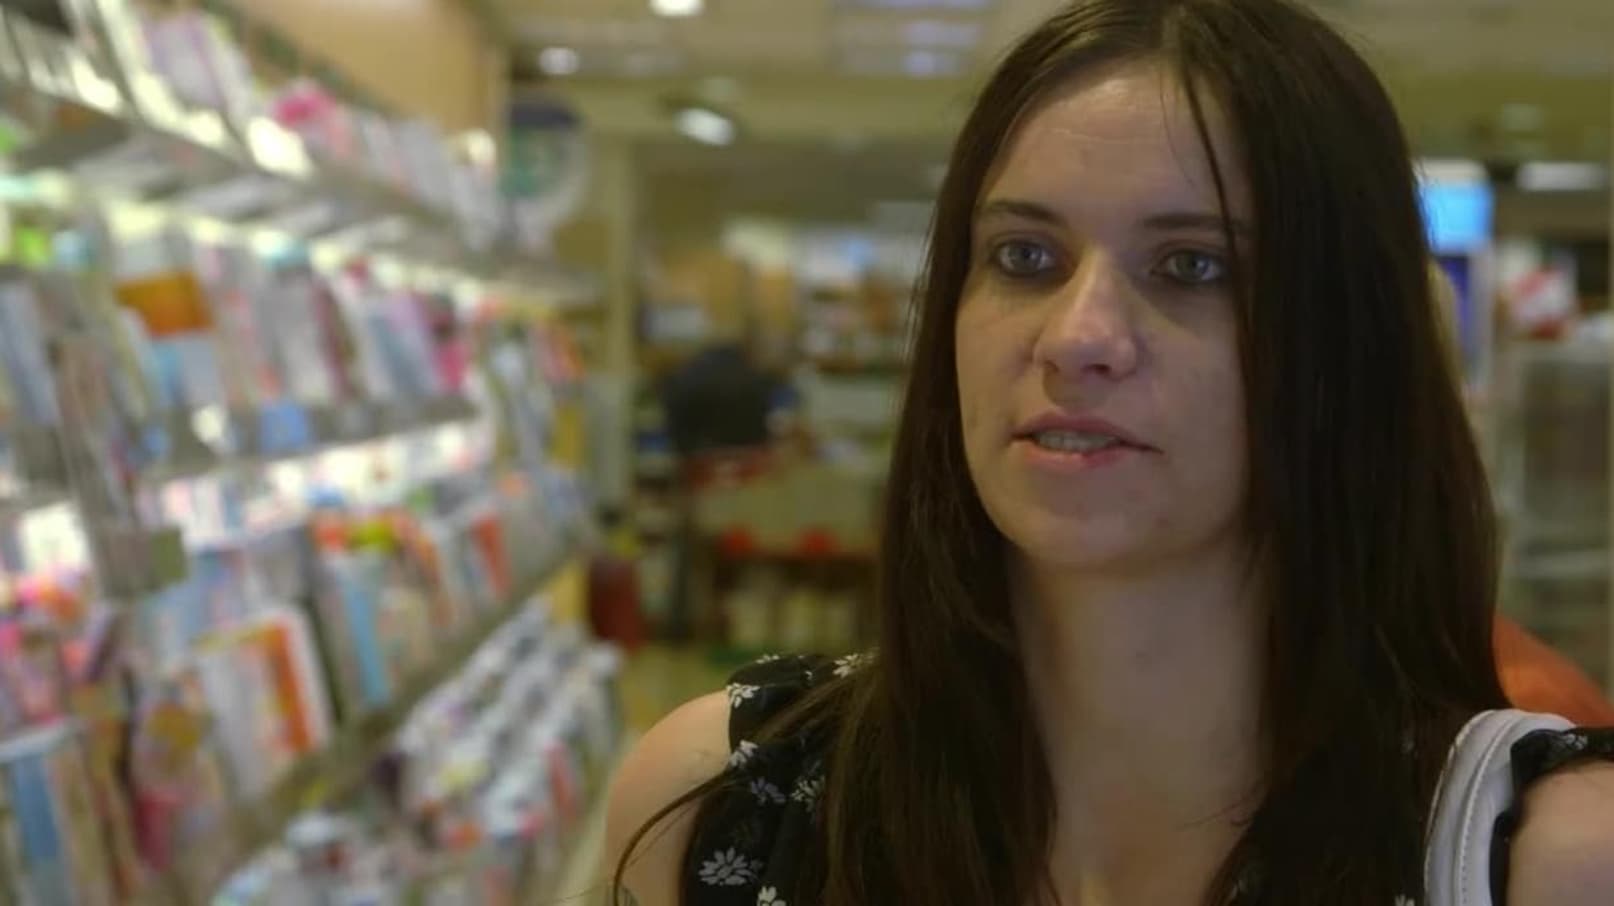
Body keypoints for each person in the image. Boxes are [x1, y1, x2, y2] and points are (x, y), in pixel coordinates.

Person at [605, 1, 1614, 904]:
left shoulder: (1540, 860)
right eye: (1024, 257)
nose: (1076, 336)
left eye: (1193, 266)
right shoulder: (726, 807)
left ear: (1344, 349)